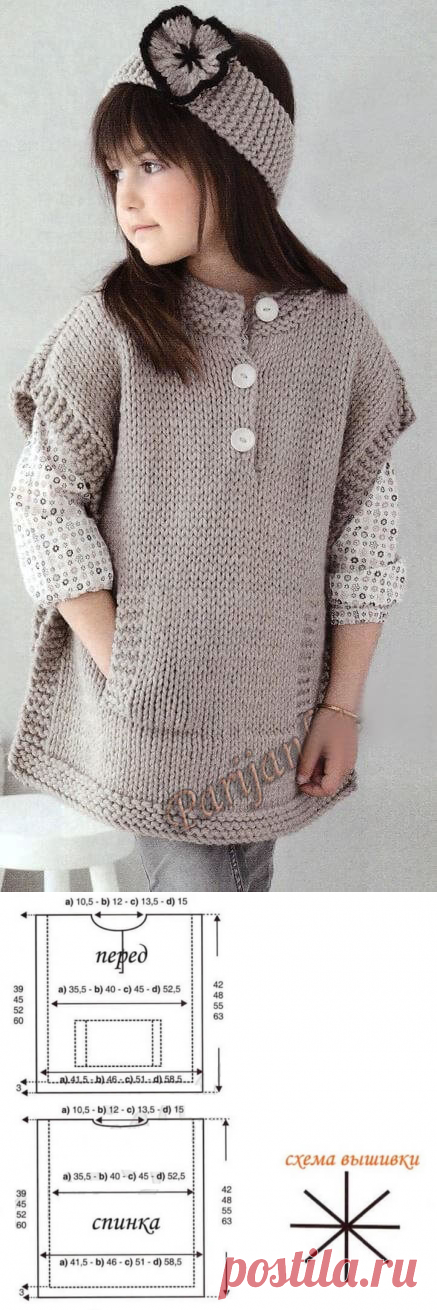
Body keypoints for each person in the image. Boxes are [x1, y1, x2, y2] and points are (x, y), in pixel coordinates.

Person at [7, 6, 416, 893]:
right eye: (115, 170)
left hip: (271, 727)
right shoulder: (110, 329)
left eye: (151, 164)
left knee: (236, 910)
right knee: (204, 926)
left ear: (237, 161)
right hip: (143, 733)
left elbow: (367, 542)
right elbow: (42, 507)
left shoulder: (338, 340)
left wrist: (341, 706)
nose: (125, 196)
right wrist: (130, 669)